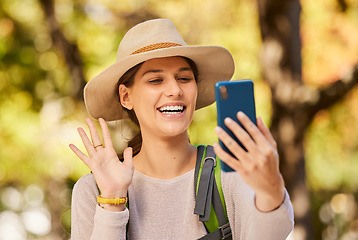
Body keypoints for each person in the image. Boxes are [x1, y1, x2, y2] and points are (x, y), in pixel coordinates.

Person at [69, 18, 294, 240]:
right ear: (126, 96)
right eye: (156, 80)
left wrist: (271, 190)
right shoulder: (93, 190)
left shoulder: (230, 173)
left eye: (184, 78)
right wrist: (113, 199)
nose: (175, 90)